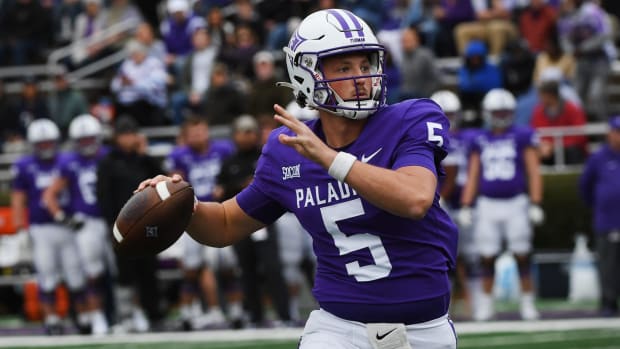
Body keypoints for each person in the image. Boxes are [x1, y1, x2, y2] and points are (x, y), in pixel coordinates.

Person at [137, 9, 458, 348]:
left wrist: (331, 159)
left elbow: (415, 198)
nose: (361, 77)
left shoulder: (411, 118)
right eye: (344, 68)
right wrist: (180, 205)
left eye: (366, 65)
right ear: (307, 74)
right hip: (338, 327)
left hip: (424, 330)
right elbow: (228, 223)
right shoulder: (288, 149)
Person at [458, 88, 544, 322]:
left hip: (516, 202)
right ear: (487, 113)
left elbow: (533, 170)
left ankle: (527, 303)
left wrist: (536, 201)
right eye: (497, 111)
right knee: (486, 256)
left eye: (505, 111)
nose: (501, 116)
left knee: (522, 254)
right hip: (487, 204)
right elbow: (473, 174)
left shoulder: (522, 135)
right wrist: (467, 204)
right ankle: (486, 304)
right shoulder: (479, 139)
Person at [11, 119, 89, 335]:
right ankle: (52, 319)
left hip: (67, 226)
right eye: (41, 143)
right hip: (41, 228)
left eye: (48, 143)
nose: (45, 147)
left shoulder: (66, 161)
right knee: (46, 276)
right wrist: (20, 229)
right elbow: (18, 198)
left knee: (76, 275)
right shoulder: (25, 165)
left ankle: (84, 317)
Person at [215, 114, 292, 327]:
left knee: (272, 268)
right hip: (240, 221)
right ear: (235, 135)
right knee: (246, 269)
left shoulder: (264, 156)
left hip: (265, 221)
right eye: (243, 131)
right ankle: (255, 316)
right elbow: (219, 192)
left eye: (251, 131)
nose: (248, 135)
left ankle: (284, 314)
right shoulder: (229, 162)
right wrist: (242, 185)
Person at [163, 116, 239, 330]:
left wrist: (226, 187)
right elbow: (174, 185)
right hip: (193, 215)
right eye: (193, 133)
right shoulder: (180, 155)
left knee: (228, 267)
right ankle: (189, 314)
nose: (198, 136)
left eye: (201, 131)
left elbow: (234, 172)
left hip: (223, 212)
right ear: (185, 137)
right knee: (191, 268)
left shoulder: (223, 150)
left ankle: (236, 311)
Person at [42, 114, 112, 335]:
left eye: (90, 138)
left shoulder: (108, 157)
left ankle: (124, 315)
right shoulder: (70, 162)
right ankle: (97, 316)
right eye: (82, 140)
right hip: (87, 222)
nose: (87, 144)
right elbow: (49, 195)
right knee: (92, 272)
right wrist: (63, 217)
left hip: (113, 219)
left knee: (119, 271)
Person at [96, 116, 163, 332]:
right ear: (117, 137)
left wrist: (145, 154)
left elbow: (165, 181)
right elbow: (104, 196)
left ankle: (153, 314)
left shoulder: (144, 160)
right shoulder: (108, 162)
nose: (129, 138)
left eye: (132, 133)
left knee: (148, 270)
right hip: (122, 225)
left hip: (147, 223)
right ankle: (126, 315)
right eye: (125, 134)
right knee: (124, 272)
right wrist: (111, 226)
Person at [431, 90, 480, 320]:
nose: (448, 119)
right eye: (444, 114)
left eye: (451, 114)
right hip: (440, 201)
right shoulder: (427, 138)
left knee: (472, 255)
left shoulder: (469, 138)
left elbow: (472, 170)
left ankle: (477, 304)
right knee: (444, 256)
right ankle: (446, 305)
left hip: (466, 203)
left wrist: (467, 201)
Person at [579, 115, 620, 317]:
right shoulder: (598, 157)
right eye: (617, 132)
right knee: (608, 265)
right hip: (607, 220)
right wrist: (599, 205)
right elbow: (585, 186)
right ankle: (608, 302)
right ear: (609, 133)